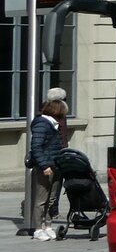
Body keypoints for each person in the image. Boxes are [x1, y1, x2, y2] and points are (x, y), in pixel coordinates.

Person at [28, 99, 68, 240]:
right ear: (57, 111)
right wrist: (44, 165)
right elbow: (36, 147)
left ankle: (48, 225)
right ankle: (38, 229)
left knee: (51, 199)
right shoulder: (42, 124)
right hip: (45, 167)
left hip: (56, 166)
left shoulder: (53, 125)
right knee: (41, 200)